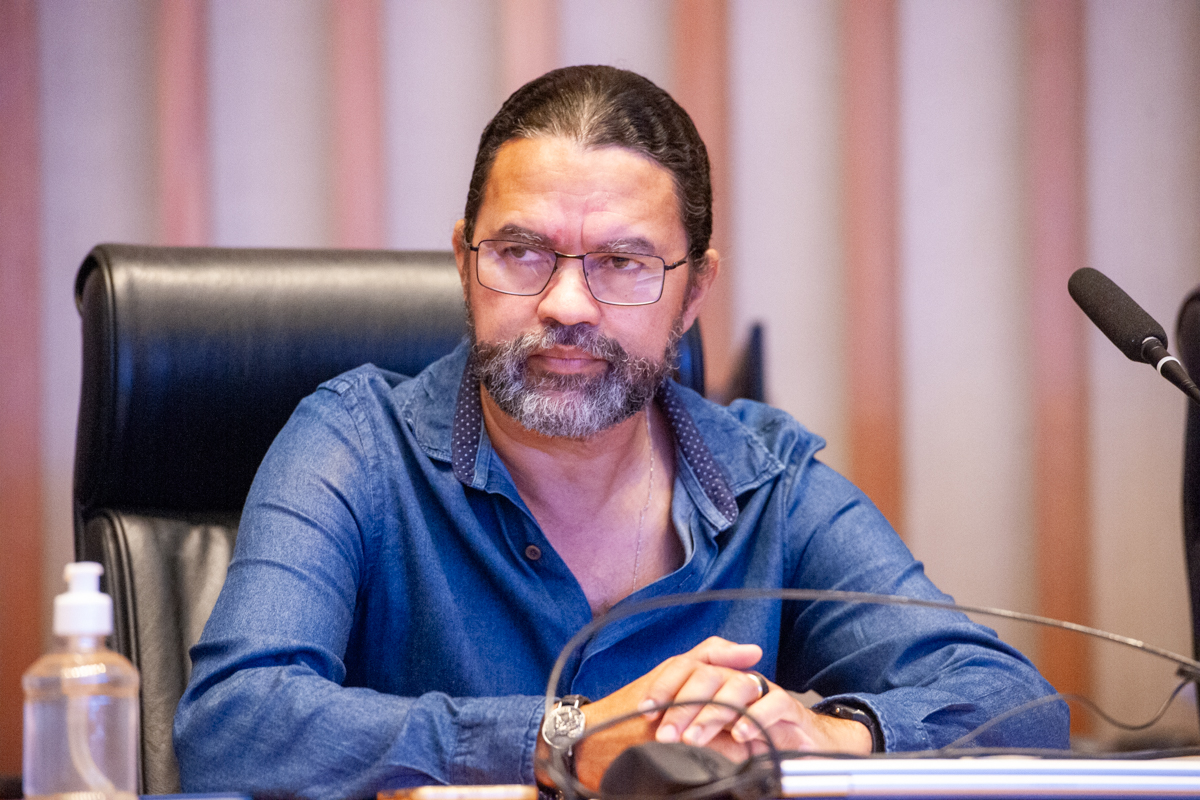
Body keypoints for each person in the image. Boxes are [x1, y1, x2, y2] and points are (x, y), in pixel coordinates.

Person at [174, 65, 1068, 799]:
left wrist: (835, 734)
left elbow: (1017, 707)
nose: (566, 303)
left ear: (694, 291)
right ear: (464, 262)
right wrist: (559, 737)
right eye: (521, 252)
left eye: (622, 262)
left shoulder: (767, 484)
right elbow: (232, 721)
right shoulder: (356, 444)